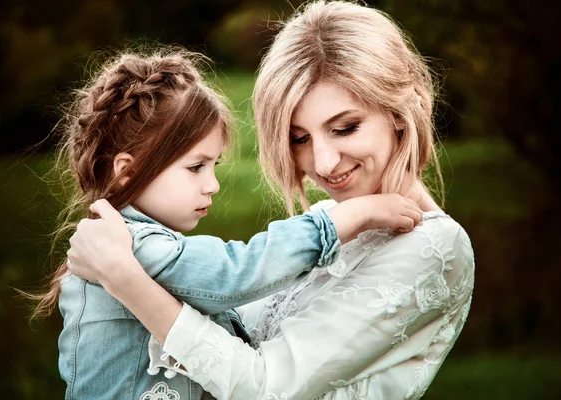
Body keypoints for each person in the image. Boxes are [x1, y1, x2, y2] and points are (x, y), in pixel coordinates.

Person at [66, 1, 475, 399]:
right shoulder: (329, 216)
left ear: (401, 113)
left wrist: (125, 279)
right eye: (299, 138)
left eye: (346, 128)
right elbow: (228, 321)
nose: (323, 162)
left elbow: (262, 387)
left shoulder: (433, 247)